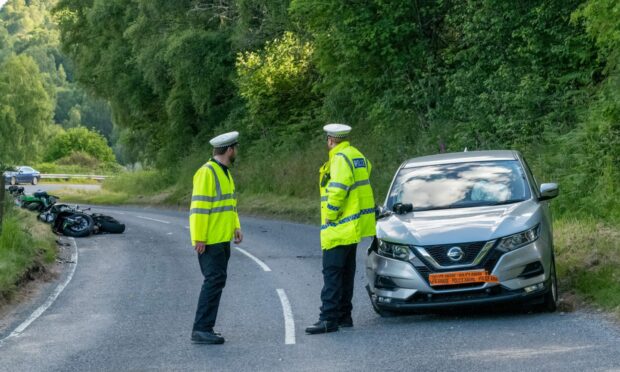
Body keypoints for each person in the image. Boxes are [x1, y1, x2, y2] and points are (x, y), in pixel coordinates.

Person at [306, 124, 376, 335]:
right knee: (346, 273)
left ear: (330, 140)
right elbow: (366, 171)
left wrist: (331, 213)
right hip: (354, 225)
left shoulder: (338, 158)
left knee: (332, 273)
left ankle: (328, 318)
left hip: (339, 225)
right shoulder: (356, 155)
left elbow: (338, 188)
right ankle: (345, 316)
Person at [189, 131, 243, 344]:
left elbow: (230, 205)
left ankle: (205, 327)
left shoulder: (225, 173)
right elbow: (199, 208)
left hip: (222, 239)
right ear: (229, 150)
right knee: (213, 282)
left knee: (217, 282)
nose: (236, 152)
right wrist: (199, 238)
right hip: (210, 241)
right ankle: (201, 329)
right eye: (235, 148)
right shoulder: (207, 172)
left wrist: (236, 226)